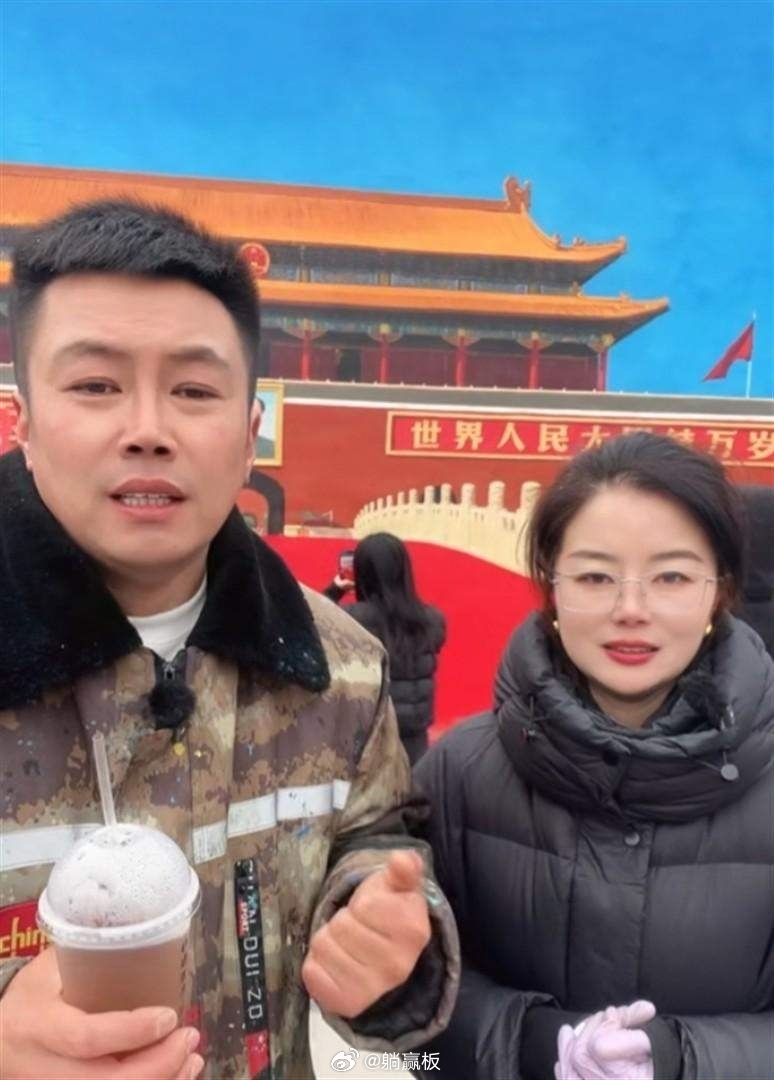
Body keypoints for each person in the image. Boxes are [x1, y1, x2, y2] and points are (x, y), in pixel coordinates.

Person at [0, 201, 459, 1080]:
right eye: (95, 385)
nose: (148, 430)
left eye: (195, 391)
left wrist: (380, 923)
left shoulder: (340, 670)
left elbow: (376, 839)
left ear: (249, 438)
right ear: (24, 421)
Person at [414, 433, 773, 1079]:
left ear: (719, 591)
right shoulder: (459, 773)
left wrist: (676, 1058)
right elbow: (408, 1007)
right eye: (594, 576)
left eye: (671, 576)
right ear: (550, 587)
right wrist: (538, 1045)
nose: (630, 610)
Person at [325, 533, 446, 764]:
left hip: (369, 741)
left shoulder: (352, 619)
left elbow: (312, 622)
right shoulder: (431, 621)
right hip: (416, 742)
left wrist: (334, 591)